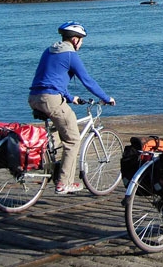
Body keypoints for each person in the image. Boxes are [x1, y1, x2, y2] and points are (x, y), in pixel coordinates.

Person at [29, 21, 116, 195]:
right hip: (51, 99)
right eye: (81, 40)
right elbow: (87, 80)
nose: (81, 44)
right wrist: (106, 98)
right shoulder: (70, 55)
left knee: (57, 134)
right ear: (75, 39)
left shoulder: (49, 51)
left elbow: (49, 78)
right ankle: (64, 183)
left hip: (34, 97)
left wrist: (70, 97)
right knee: (73, 140)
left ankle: (50, 166)